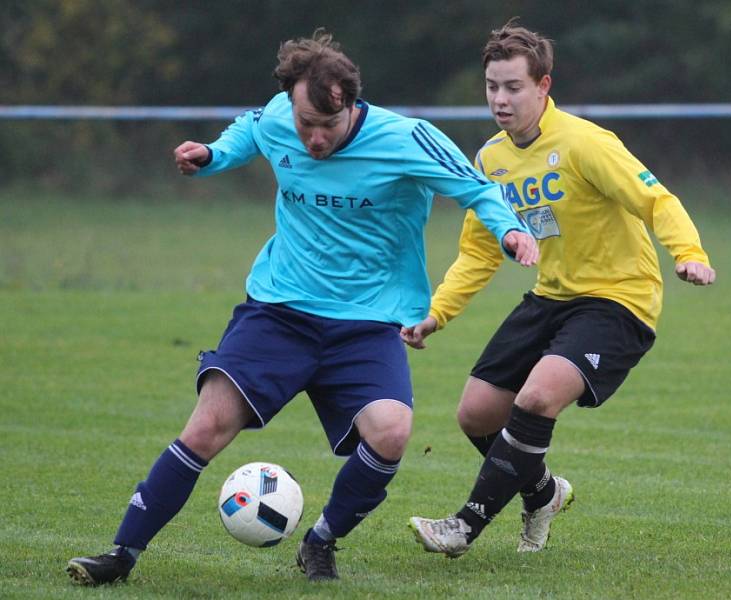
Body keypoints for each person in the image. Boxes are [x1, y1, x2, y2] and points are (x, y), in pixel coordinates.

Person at [65, 30, 536, 585]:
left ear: (350, 105)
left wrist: (510, 232)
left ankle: (321, 541)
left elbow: (478, 190)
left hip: (365, 323)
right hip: (279, 312)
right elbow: (247, 132)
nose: (312, 139)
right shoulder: (278, 117)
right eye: (303, 124)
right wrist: (212, 156)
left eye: (326, 127)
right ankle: (121, 555)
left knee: (390, 432)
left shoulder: (406, 138)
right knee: (206, 426)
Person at [402, 20, 716, 558]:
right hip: (552, 296)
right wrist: (436, 313)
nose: (500, 100)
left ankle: (464, 526)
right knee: (476, 414)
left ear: (544, 86)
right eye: (492, 87)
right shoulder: (490, 160)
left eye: (513, 87)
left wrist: (689, 254)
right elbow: (480, 251)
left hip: (619, 299)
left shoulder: (585, 143)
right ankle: (544, 494)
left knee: (537, 396)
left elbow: (656, 200)